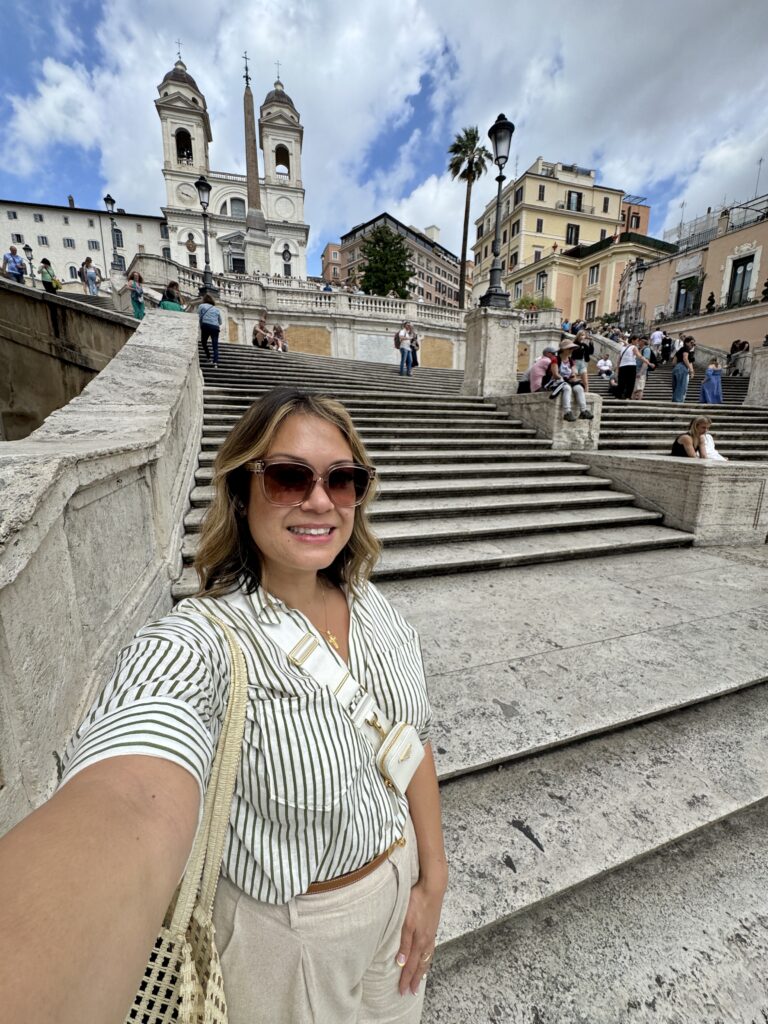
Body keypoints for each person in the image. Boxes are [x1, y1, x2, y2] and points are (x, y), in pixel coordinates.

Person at [0, 388, 447, 1024]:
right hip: (291, 942)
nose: (319, 500)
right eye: (289, 477)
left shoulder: (377, 610)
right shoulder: (206, 639)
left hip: (398, 891)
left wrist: (432, 878)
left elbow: (411, 744)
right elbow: (130, 790)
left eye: (341, 480)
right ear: (241, 491)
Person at [550, 339, 594, 421]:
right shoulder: (555, 359)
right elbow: (555, 374)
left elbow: (574, 373)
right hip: (558, 381)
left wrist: (573, 376)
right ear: (563, 349)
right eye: (569, 349)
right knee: (567, 388)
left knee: (579, 388)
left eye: (572, 349)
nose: (571, 351)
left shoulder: (571, 360)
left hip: (569, 381)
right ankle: (567, 412)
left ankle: (583, 411)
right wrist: (565, 379)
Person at [617, 335, 649, 400]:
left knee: (621, 382)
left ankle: (618, 396)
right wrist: (649, 363)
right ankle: (627, 397)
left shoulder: (623, 348)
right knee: (630, 382)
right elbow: (640, 356)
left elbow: (618, 360)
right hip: (631, 366)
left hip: (622, 366)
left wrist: (618, 369)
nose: (638, 342)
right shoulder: (634, 347)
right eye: (637, 340)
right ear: (633, 340)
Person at [198, 293, 222, 366]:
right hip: (215, 327)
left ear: (204, 300)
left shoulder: (201, 306)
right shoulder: (216, 309)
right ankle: (215, 362)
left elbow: (198, 316)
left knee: (203, 342)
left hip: (206, 325)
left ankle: (208, 357)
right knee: (215, 345)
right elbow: (220, 322)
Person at [632, 336, 654, 400]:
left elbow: (645, 362)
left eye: (640, 340)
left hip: (640, 372)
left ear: (643, 342)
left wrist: (640, 372)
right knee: (635, 388)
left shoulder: (646, 349)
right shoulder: (639, 349)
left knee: (639, 388)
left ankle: (638, 401)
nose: (638, 342)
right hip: (636, 371)